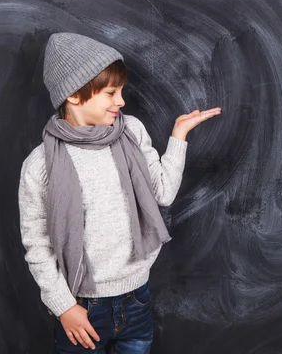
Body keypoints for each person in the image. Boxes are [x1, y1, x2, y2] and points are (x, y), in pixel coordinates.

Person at [18, 32, 221, 353]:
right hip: (81, 307)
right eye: (111, 92)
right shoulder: (40, 165)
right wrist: (64, 307)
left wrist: (179, 136)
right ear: (74, 95)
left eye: (121, 91)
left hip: (136, 299)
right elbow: (37, 245)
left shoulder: (133, 132)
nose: (121, 101)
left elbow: (163, 193)